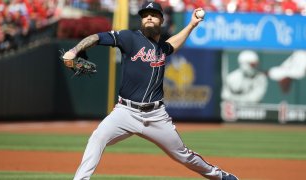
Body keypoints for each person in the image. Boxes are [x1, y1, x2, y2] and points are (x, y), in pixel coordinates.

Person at [62, 2, 238, 180]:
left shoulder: (161, 47)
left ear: (161, 19)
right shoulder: (128, 37)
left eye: (153, 14)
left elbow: (172, 45)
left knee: (184, 155)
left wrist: (192, 24)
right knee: (97, 138)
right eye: (145, 15)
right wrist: (74, 50)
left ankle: (222, 177)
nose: (148, 17)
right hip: (125, 112)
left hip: (156, 116)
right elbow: (98, 37)